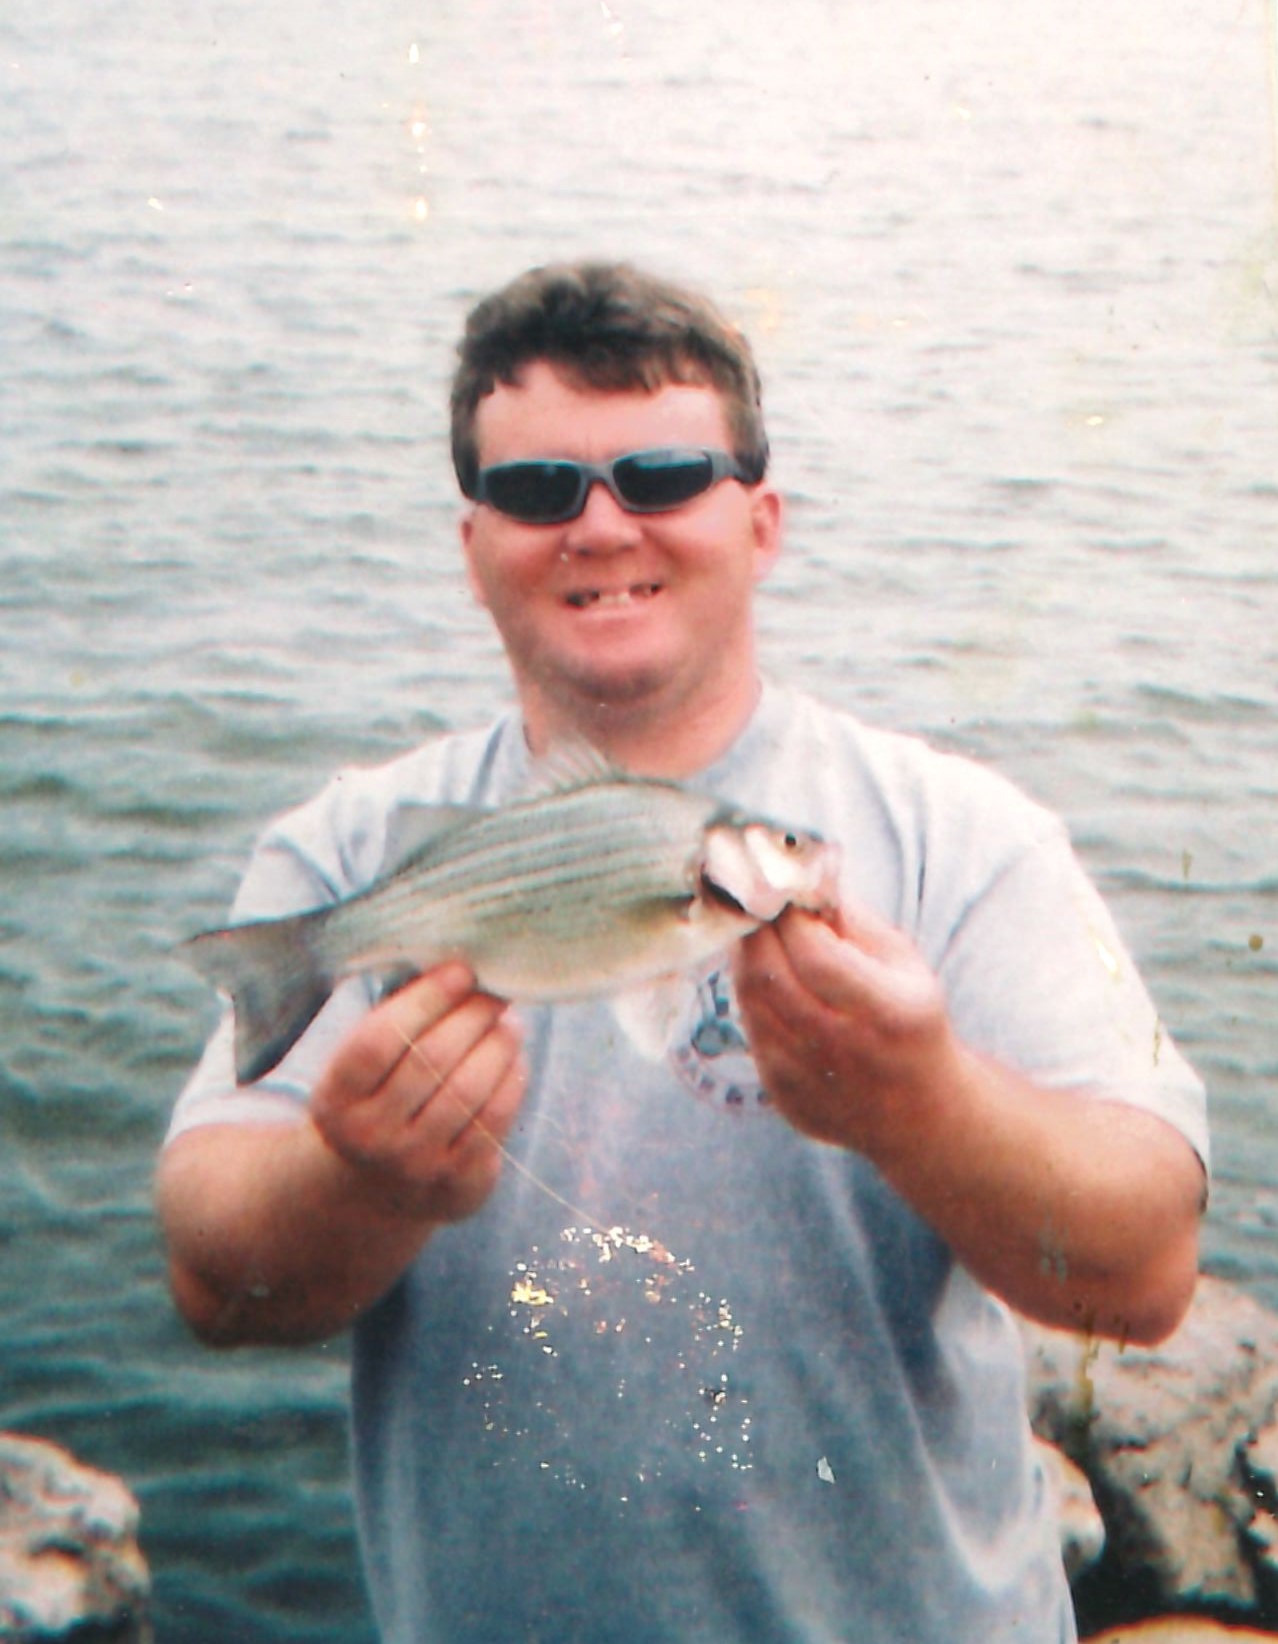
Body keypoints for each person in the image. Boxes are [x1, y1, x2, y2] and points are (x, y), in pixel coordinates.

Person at [159, 261, 1208, 1644]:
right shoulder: (347, 848)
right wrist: (356, 1179)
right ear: (473, 546)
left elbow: (1146, 1269)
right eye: (539, 490)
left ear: (762, 523)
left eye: (661, 477)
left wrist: (922, 1105)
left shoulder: (966, 836)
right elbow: (210, 1278)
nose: (601, 526)